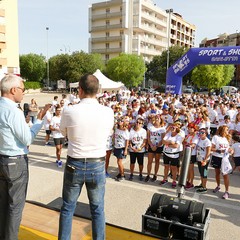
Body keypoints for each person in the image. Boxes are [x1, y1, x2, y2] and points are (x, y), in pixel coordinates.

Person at [58, 74, 114, 240]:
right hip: (97, 164)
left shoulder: (69, 110)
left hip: (74, 162)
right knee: (97, 209)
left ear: (79, 90)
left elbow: (63, 132)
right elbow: (108, 132)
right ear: (97, 91)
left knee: (68, 208)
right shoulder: (108, 111)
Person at [0, 74, 49, 240]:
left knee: (2, 205)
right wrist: (38, 121)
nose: (23, 93)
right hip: (15, 161)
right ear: (13, 90)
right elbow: (27, 139)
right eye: (22, 89)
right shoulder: (14, 111)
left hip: (1, 159)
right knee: (15, 206)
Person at [211, 125, 231, 199]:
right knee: (217, 173)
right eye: (226, 130)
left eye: (227, 130)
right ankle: (218, 186)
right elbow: (211, 148)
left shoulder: (227, 138)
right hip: (216, 157)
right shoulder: (215, 137)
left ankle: (227, 191)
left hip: (225, 159)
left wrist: (230, 150)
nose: (227, 131)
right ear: (222, 130)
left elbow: (229, 148)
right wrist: (219, 151)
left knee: (225, 175)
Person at [128, 115, 147, 181]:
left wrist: (140, 148)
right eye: (137, 122)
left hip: (140, 150)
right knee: (132, 162)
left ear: (142, 124)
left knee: (140, 163)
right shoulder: (131, 130)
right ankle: (131, 174)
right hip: (132, 149)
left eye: (140, 123)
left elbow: (144, 142)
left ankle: (140, 174)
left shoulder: (144, 131)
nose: (138, 124)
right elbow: (130, 140)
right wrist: (131, 147)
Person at [195, 128, 211, 193]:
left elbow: (208, 152)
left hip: (205, 160)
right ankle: (202, 184)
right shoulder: (199, 139)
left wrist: (205, 160)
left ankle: (204, 187)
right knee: (201, 173)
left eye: (202, 133)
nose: (200, 134)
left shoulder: (207, 141)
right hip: (199, 158)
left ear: (206, 134)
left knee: (204, 173)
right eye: (200, 132)